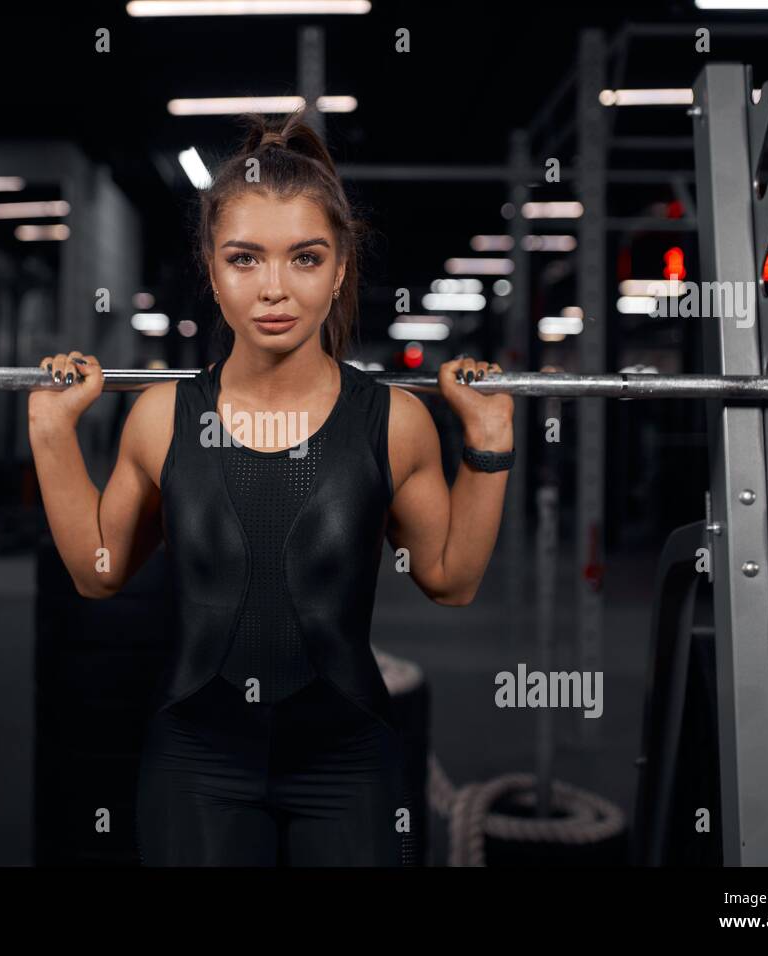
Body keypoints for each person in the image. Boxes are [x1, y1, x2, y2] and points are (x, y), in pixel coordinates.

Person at [27, 111, 513, 866]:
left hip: (350, 762)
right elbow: (101, 574)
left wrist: (487, 445)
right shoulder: (162, 418)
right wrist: (53, 436)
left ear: (342, 266)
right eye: (245, 259)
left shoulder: (396, 422)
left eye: (306, 259)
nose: (274, 290)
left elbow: (450, 581)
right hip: (196, 762)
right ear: (212, 269)